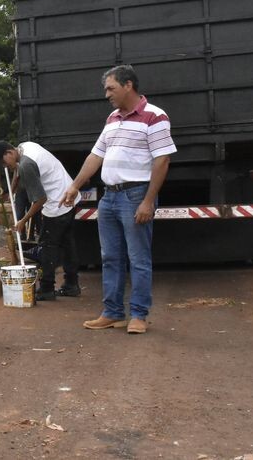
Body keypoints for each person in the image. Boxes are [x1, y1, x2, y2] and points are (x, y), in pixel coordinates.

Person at [62, 65, 176, 334]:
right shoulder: (112, 118)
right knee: (110, 257)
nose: (107, 94)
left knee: (138, 258)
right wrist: (75, 186)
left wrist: (148, 201)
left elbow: (162, 160)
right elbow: (96, 156)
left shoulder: (155, 116)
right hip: (109, 197)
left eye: (111, 88)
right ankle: (112, 313)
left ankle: (138, 315)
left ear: (128, 86)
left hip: (135, 194)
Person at [0, 140, 81, 300]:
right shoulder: (26, 146)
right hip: (69, 195)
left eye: (4, 163)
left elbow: (40, 199)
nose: (5, 168)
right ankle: (72, 285)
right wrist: (11, 190)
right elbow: (17, 171)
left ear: (9, 153)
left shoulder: (26, 165)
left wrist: (23, 220)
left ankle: (46, 288)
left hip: (57, 203)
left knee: (47, 246)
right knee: (68, 243)